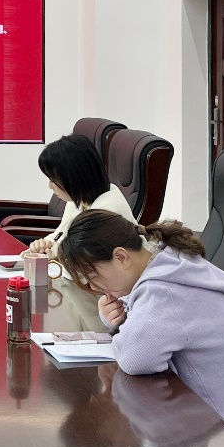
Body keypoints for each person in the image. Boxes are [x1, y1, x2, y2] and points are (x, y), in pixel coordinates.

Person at [58, 209, 224, 427]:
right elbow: (149, 323)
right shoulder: (168, 261)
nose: (94, 286)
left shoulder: (164, 292)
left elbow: (135, 360)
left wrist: (125, 330)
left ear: (121, 257)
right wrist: (118, 317)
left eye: (93, 276)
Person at [22, 134, 135, 331]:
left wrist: (53, 253)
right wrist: (44, 245)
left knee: (43, 324)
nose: (50, 186)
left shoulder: (104, 211)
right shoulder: (81, 199)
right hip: (79, 294)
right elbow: (60, 235)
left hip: (104, 305)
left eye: (53, 179)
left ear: (72, 178)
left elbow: (84, 268)